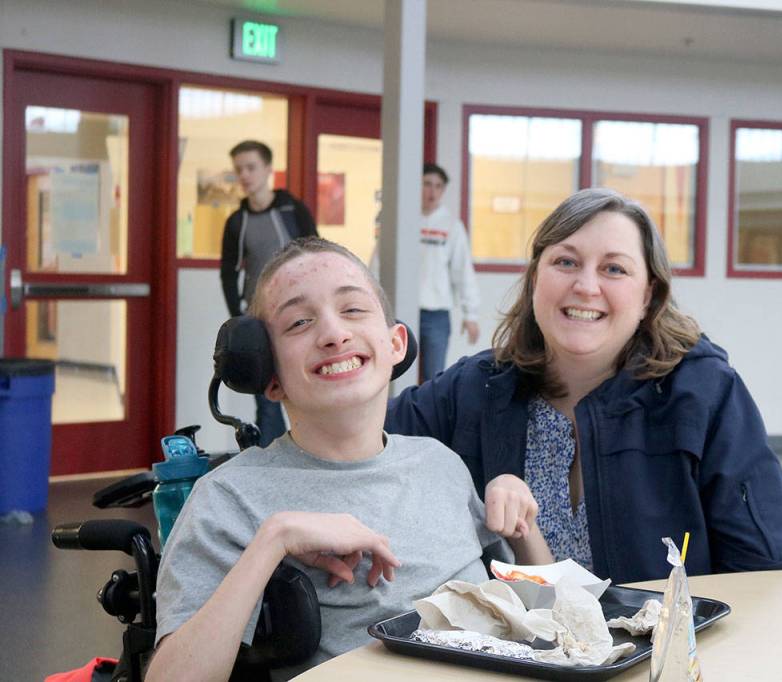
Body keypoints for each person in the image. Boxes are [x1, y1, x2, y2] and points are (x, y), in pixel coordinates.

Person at [150, 238, 549, 681]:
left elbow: (550, 614)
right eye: (299, 322)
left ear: (396, 344)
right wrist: (274, 539)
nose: (334, 334)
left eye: (353, 310)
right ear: (270, 377)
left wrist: (522, 519)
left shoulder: (441, 464)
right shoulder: (229, 498)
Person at [386, 188, 782, 584]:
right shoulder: (474, 389)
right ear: (536, 277)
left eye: (614, 269)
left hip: (668, 657)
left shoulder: (703, 392)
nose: (586, 286)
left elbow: (770, 575)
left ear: (649, 295)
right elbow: (354, 444)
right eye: (566, 262)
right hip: (506, 659)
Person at [219, 140, 318, 447]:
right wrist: (240, 317)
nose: (245, 175)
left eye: (251, 167)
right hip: (260, 318)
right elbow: (228, 272)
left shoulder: (292, 210)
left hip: (303, 317)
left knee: (305, 384)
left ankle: (314, 451)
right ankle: (272, 463)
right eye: (239, 170)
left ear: (267, 170)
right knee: (268, 393)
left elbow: (316, 255)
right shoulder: (237, 221)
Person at [372, 163, 481, 381]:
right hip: (399, 310)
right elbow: (379, 258)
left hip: (436, 314)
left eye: (438, 186)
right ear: (417, 186)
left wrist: (471, 315)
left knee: (433, 377)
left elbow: (462, 270)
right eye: (427, 184)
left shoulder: (451, 225)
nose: (432, 191)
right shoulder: (401, 219)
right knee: (394, 371)